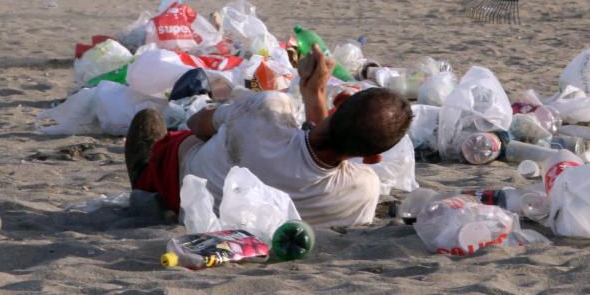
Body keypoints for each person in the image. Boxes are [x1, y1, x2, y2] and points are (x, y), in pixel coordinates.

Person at [124, 45, 413, 227]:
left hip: (178, 184)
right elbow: (321, 150)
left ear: (340, 102)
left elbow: (197, 123)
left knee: (153, 123)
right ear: (373, 157)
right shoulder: (364, 188)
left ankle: (144, 175)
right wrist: (314, 93)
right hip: (228, 223)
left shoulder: (266, 110)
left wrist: (225, 121)